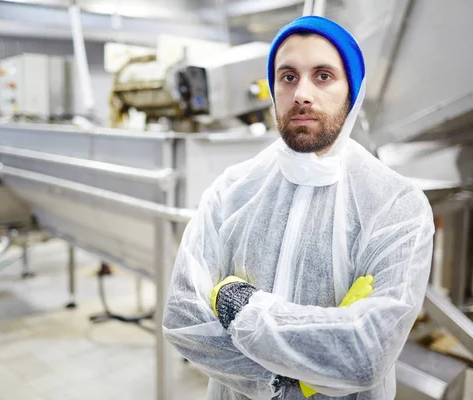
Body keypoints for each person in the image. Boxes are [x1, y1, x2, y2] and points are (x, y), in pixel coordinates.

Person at [162, 15, 434, 400]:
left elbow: (366, 355)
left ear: (351, 90)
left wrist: (240, 307)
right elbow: (183, 319)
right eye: (288, 77)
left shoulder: (395, 204)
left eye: (323, 76)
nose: (302, 93)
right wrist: (290, 376)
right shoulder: (231, 191)